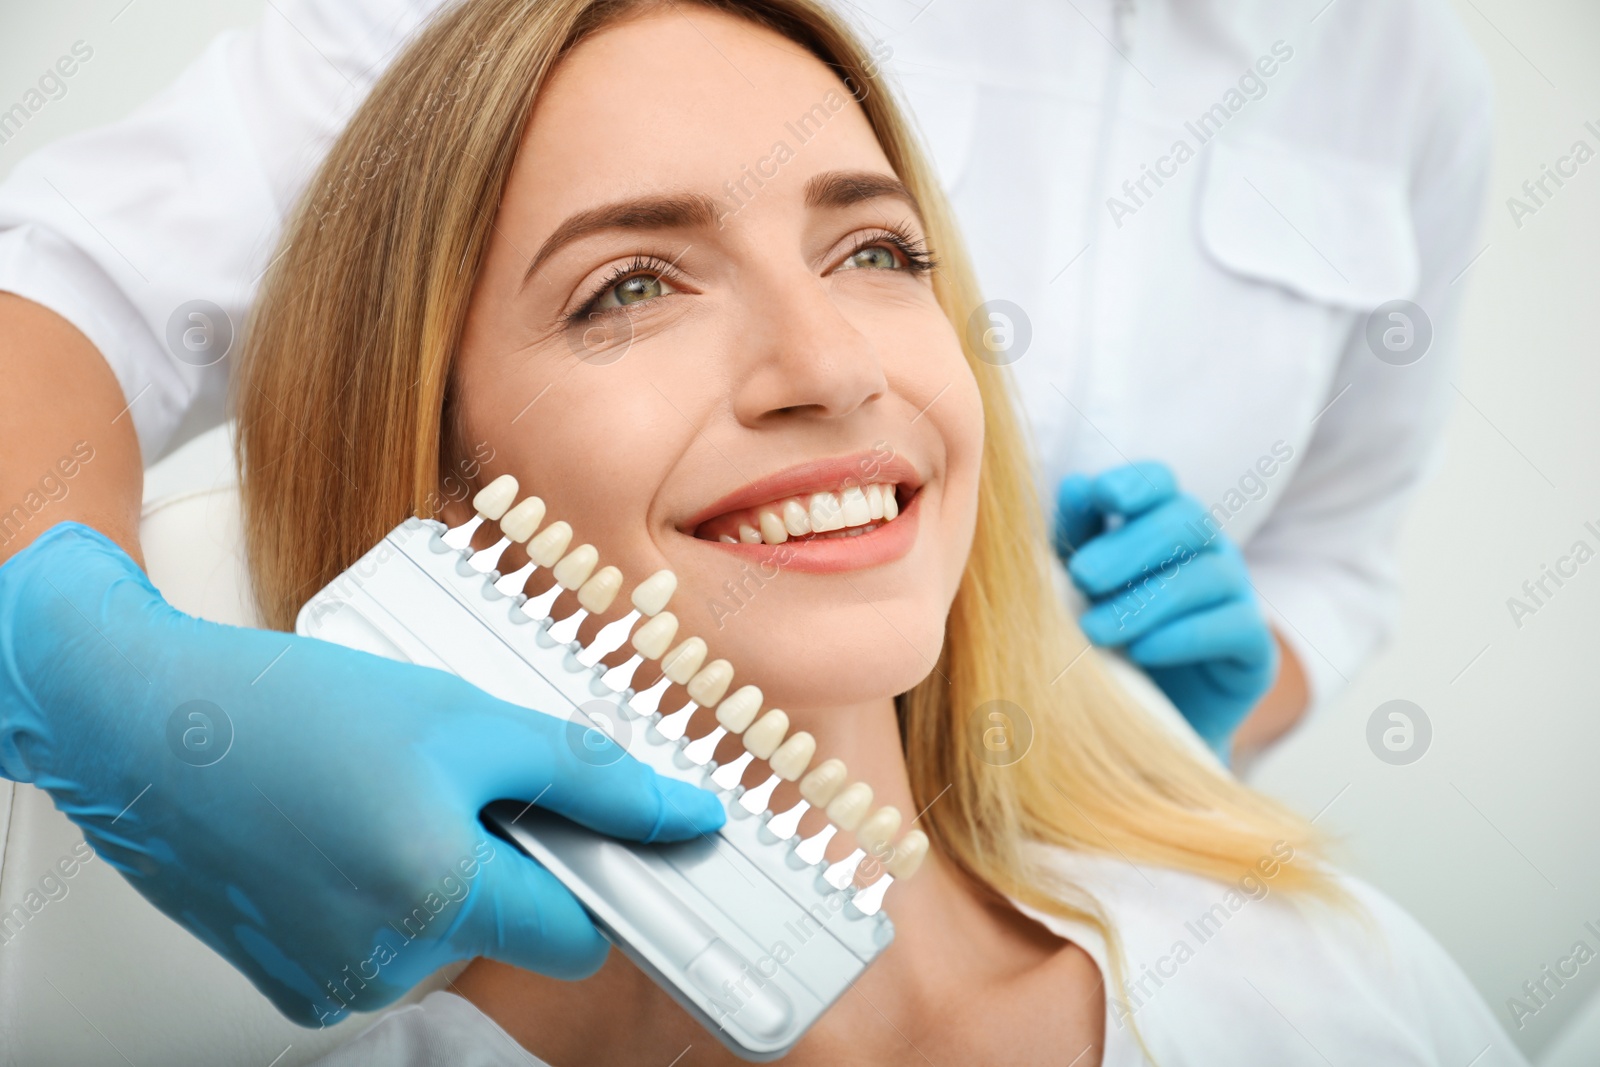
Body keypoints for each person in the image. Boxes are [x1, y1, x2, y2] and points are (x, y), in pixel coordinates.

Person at [0, 0, 1490, 1032]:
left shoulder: (1336, 982)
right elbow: (61, 286)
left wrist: (1133, 727)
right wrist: (105, 681)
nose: (836, 367)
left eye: (883, 251)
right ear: (441, 457)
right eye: (629, 287)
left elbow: (1336, 561)